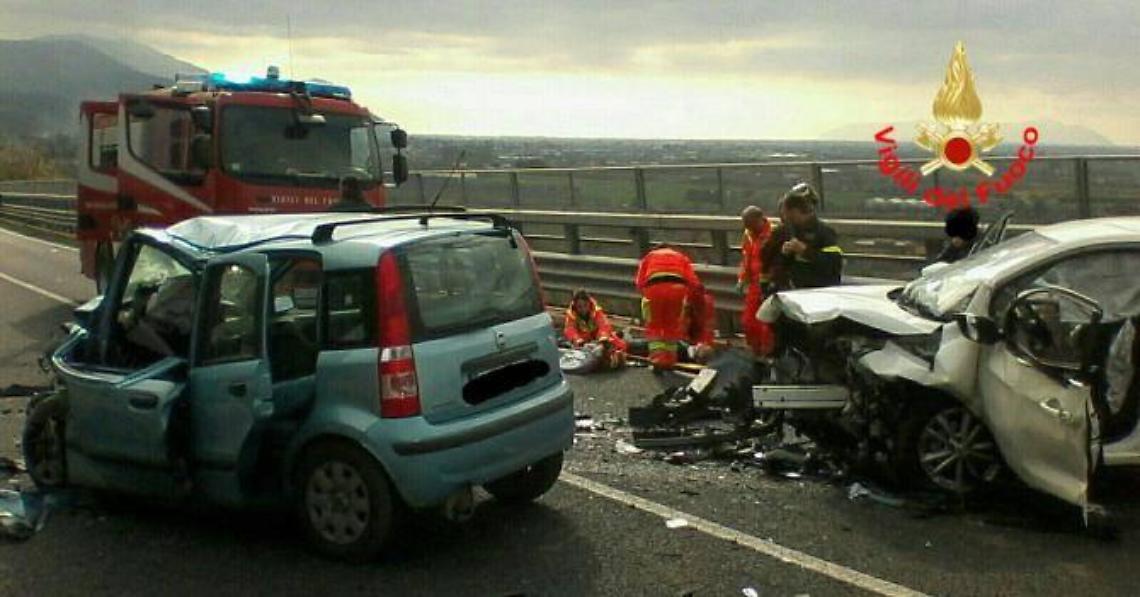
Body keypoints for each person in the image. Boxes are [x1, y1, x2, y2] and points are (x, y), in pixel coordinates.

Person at [762, 182, 843, 291]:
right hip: (790, 293)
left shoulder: (825, 233)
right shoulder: (783, 231)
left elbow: (833, 266)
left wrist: (805, 251)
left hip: (818, 293)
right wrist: (784, 254)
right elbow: (767, 259)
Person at [635, 244, 703, 370]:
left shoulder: (649, 257)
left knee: (655, 326)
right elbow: (694, 283)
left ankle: (657, 358)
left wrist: (647, 295)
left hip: (653, 289)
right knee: (672, 326)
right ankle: (670, 360)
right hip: (677, 288)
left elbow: (639, 282)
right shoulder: (681, 257)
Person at [735, 205, 776, 356]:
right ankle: (755, 352)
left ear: (760, 219)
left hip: (769, 283)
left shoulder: (773, 234)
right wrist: (742, 279)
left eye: (751, 224)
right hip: (754, 283)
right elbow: (747, 259)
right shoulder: (749, 235)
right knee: (749, 322)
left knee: (766, 324)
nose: (748, 228)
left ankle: (767, 354)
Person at [563, 289, 627, 369]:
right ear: (575, 306)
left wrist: (603, 337)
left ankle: (615, 356)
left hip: (598, 340)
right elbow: (569, 329)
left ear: (589, 304)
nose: (583, 309)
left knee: (620, 344)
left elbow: (604, 325)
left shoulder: (597, 311)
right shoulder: (571, 315)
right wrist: (578, 340)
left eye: (585, 305)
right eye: (579, 307)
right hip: (583, 343)